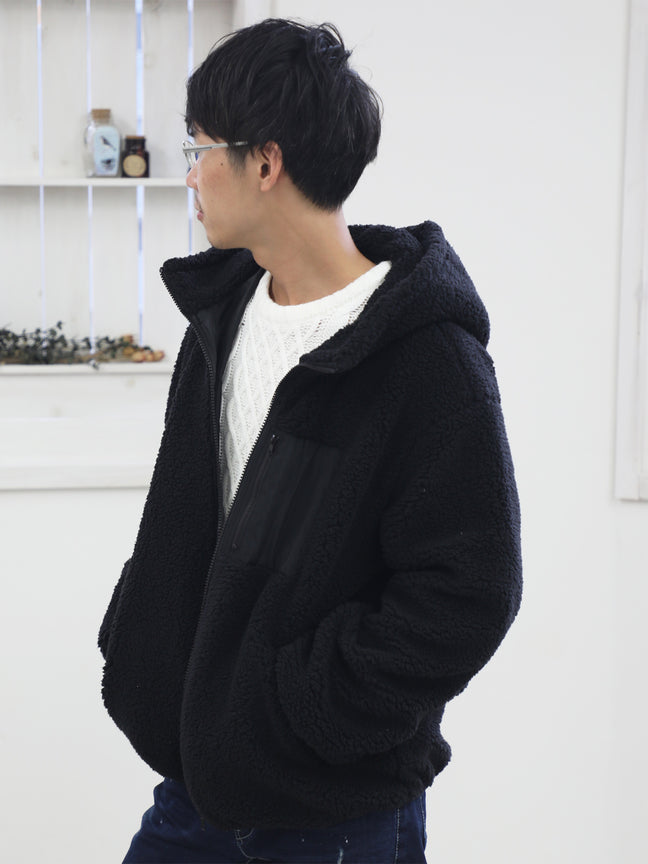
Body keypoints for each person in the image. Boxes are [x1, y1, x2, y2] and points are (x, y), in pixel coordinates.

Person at [98, 18, 522, 864]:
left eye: (201, 147)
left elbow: (470, 591)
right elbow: (207, 522)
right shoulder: (219, 320)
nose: (190, 173)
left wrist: (303, 709)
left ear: (265, 162)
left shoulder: (427, 358)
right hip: (197, 784)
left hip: (334, 809)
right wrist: (142, 636)